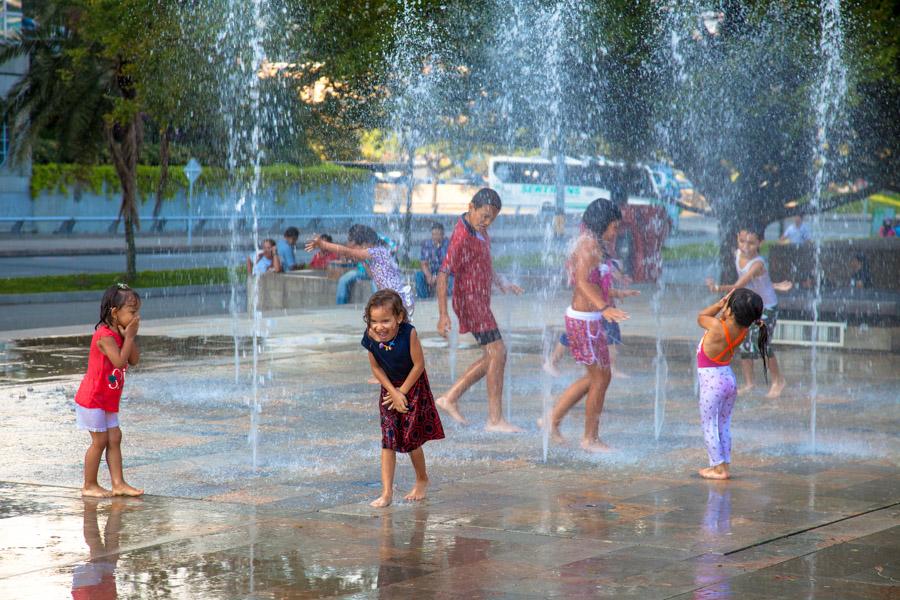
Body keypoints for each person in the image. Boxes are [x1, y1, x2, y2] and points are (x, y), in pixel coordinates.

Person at [542, 199, 629, 452]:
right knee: (600, 378)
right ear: (602, 223)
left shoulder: (595, 244)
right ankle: (589, 439)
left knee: (598, 376)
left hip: (589, 321)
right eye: (614, 226)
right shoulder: (588, 245)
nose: (615, 232)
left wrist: (614, 294)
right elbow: (581, 282)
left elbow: (593, 281)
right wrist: (604, 307)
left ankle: (552, 420)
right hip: (584, 322)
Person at [435, 188, 523, 432]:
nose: (487, 222)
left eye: (492, 218)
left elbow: (483, 263)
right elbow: (443, 274)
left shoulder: (480, 231)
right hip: (470, 301)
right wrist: (443, 314)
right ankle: (494, 420)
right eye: (484, 216)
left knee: (493, 356)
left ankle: (449, 398)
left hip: (480, 300)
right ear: (471, 207)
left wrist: (501, 282)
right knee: (498, 352)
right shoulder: (462, 235)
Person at [362, 290, 444, 507]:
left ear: (399, 317)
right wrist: (393, 392)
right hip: (390, 390)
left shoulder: (409, 334)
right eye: (374, 321)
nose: (380, 327)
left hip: (413, 386)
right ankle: (387, 492)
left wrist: (403, 392)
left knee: (410, 440)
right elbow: (376, 368)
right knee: (388, 440)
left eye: (386, 321)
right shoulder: (370, 337)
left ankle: (422, 479)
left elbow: (419, 365)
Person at [74, 284, 144, 497]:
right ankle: (89, 484)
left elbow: (134, 360)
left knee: (115, 437)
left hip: (107, 399)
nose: (136, 317)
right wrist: (129, 337)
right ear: (115, 312)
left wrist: (128, 336)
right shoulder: (104, 336)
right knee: (100, 441)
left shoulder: (120, 334)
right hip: (93, 398)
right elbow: (119, 362)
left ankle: (118, 483)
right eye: (132, 312)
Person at [706, 227, 790, 398]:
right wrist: (773, 284)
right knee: (743, 342)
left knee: (761, 343)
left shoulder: (757, 264)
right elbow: (757, 283)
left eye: (751, 243)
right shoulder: (738, 253)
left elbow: (740, 285)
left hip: (767, 307)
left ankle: (778, 381)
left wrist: (717, 288)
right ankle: (749, 383)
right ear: (737, 238)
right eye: (742, 241)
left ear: (760, 243)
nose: (746, 246)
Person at [696, 288, 767, 480]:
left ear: (730, 311)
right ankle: (724, 464)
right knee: (723, 425)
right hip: (728, 379)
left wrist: (719, 305)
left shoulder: (718, 326)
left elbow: (701, 316)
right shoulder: (743, 328)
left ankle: (718, 469)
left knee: (709, 425)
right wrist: (727, 309)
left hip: (713, 383)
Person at [543, 253, 637, 378]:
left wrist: (620, 278)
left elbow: (611, 280)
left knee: (608, 336)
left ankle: (607, 367)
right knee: (578, 336)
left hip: (603, 308)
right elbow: (596, 288)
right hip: (595, 309)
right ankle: (552, 362)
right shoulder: (590, 263)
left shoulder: (608, 263)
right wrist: (618, 292)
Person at [306, 224, 414, 314]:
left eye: (356, 248)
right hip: (394, 300)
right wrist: (363, 261)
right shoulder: (376, 255)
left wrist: (323, 244)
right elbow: (373, 276)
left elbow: (346, 251)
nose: (355, 251)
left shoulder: (377, 252)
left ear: (365, 244)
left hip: (396, 300)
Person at [415, 222, 450, 299]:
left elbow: (450, 264)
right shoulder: (427, 244)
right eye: (433, 234)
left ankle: (449, 300)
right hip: (431, 271)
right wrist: (429, 276)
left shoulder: (448, 244)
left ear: (443, 234)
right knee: (419, 276)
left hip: (446, 272)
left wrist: (439, 276)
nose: (435, 237)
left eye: (438, 234)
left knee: (452, 279)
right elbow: (424, 263)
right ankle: (423, 300)